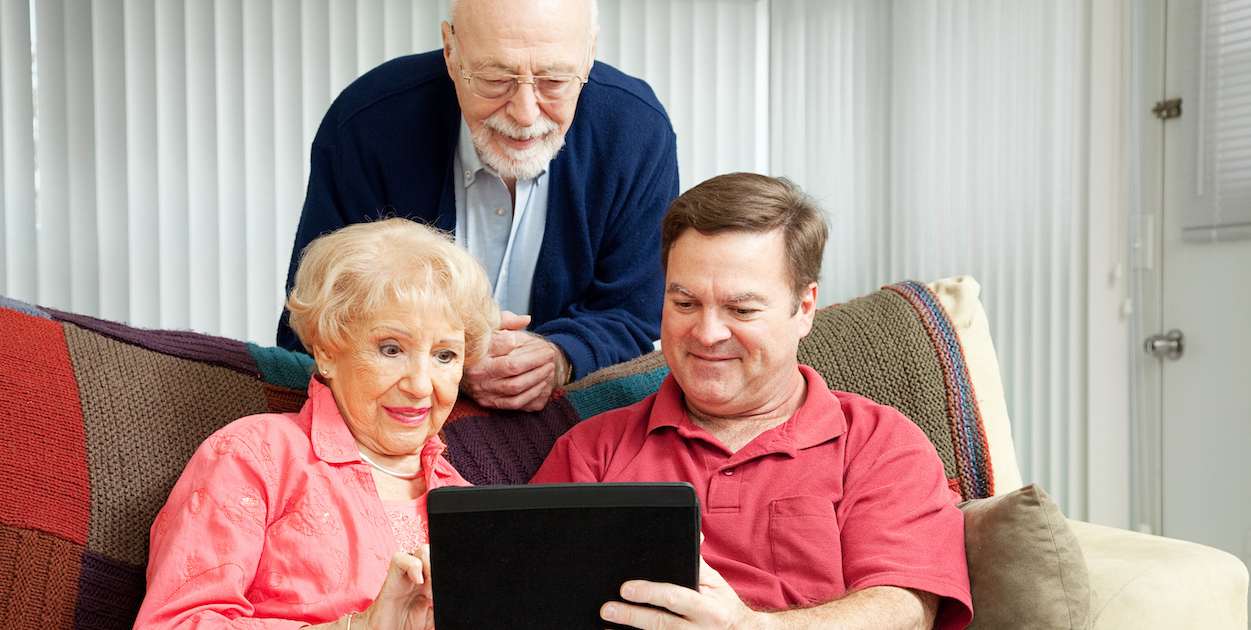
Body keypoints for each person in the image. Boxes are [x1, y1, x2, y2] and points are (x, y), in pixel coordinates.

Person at [531, 173, 974, 629]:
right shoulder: (591, 452)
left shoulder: (879, 443)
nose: (706, 334)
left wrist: (752, 629)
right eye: (684, 303)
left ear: (804, 308)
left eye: (741, 310)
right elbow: (524, 598)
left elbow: (905, 611)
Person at [278, 0, 679, 412]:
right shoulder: (367, 124)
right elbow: (315, 320)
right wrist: (447, 356)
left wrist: (562, 357)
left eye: (554, 80)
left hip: (570, 416)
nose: (525, 115)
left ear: (589, 52)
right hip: (396, 417)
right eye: (494, 78)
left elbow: (632, 313)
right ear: (451, 51)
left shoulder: (638, 131)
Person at [135, 218, 498, 629]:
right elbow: (173, 623)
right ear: (327, 351)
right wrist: (356, 628)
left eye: (445, 356)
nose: (420, 385)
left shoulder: (470, 502)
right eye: (391, 348)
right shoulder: (256, 456)